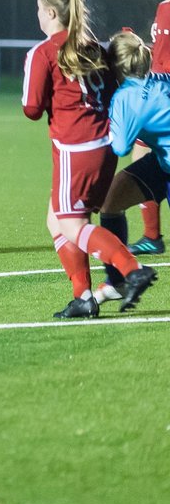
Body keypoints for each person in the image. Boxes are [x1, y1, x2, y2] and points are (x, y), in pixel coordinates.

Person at [21, 0, 157, 318]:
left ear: (51, 13)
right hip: (104, 147)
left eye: (39, 9)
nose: (38, 14)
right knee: (56, 219)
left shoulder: (43, 53)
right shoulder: (94, 48)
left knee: (71, 226)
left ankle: (132, 270)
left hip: (75, 149)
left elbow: (32, 108)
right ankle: (83, 296)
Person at [93, 30, 165, 305]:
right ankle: (118, 283)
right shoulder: (159, 79)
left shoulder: (125, 95)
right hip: (162, 162)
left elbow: (120, 147)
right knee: (111, 201)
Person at [122, 0, 170, 256]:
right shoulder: (163, 7)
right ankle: (151, 235)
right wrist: (142, 44)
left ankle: (152, 236)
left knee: (143, 162)